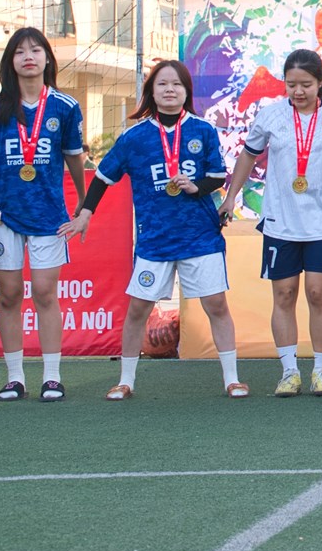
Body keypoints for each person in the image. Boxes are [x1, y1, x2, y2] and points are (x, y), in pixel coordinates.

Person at [90, 60, 243, 399]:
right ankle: (126, 381)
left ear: (186, 91)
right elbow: (103, 177)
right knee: (138, 310)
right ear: (151, 92)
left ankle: (231, 378)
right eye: (162, 84)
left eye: (176, 84)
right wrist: (85, 213)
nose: (169, 90)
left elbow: (218, 176)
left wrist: (195, 186)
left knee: (216, 304)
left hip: (200, 236)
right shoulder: (134, 137)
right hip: (155, 240)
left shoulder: (203, 130)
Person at [221, 48, 322, 397]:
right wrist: (231, 196)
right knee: (284, 294)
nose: (298, 92)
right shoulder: (270, 116)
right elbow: (247, 157)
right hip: (280, 221)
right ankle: (289, 371)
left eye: (306, 85)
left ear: (321, 83)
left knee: (316, 292)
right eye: (291, 84)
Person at [0, 27, 87, 402]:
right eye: (20, 52)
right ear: (11, 62)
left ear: (48, 59)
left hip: (49, 216)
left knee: (43, 292)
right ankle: (15, 377)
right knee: (8, 295)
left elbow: (74, 160)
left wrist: (85, 207)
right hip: (4, 215)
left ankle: (52, 376)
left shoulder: (65, 107)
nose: (28, 57)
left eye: (36, 50)